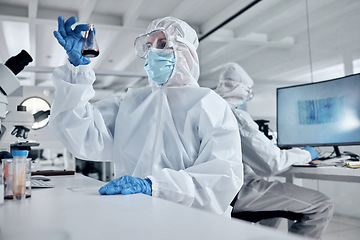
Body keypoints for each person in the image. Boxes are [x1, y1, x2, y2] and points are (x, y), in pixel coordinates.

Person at [49, 16, 243, 216]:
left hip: (191, 224)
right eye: (148, 45)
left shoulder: (209, 104)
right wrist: (77, 69)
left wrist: (155, 186)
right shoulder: (131, 104)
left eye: (162, 43)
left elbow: (222, 177)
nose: (152, 51)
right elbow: (81, 133)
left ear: (186, 53)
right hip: (134, 216)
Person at [215, 62, 334, 239]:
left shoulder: (213, 108)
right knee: (323, 205)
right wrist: (308, 152)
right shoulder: (235, 115)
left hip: (219, 191)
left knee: (275, 208)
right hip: (237, 191)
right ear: (241, 89)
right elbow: (272, 163)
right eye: (248, 90)